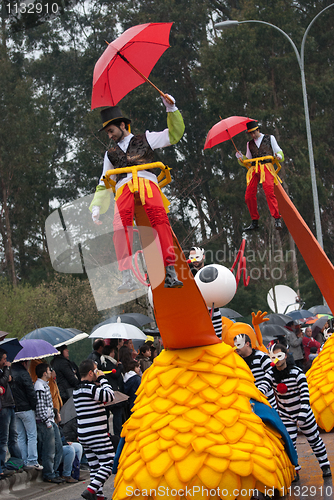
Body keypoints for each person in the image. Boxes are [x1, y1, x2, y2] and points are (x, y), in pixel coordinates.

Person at [90, 95, 185, 291]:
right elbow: (104, 180)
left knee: (160, 220)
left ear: (123, 125)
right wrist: (97, 206)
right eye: (107, 133)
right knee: (119, 227)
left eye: (111, 131)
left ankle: (170, 272)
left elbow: (175, 134)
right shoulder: (111, 153)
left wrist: (171, 109)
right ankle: (127, 277)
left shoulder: (146, 138)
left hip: (146, 182)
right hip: (124, 186)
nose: (109, 136)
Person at [257, 344, 331, 480]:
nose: (276, 360)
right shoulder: (271, 374)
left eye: (279, 356)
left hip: (304, 413)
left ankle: (325, 465)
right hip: (286, 414)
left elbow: (305, 394)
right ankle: (295, 470)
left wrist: (303, 413)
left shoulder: (297, 372)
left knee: (314, 440)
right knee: (289, 443)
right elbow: (264, 385)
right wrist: (255, 393)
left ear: (285, 355)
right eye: (273, 357)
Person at [73, 359, 115, 500]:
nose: (97, 373)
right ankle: (91, 490)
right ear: (91, 373)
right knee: (109, 461)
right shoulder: (92, 389)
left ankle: (99, 495)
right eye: (96, 370)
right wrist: (103, 378)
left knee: (95, 465)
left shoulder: (77, 391)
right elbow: (110, 396)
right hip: (97, 433)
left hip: (84, 434)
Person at [235, 120, 284, 231]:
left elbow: (279, 151)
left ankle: (277, 218)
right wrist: (240, 157)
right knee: (248, 195)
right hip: (254, 168)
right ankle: (254, 221)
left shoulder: (270, 138)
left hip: (266, 166)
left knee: (269, 191)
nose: (252, 135)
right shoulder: (249, 144)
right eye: (250, 133)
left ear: (258, 130)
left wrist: (279, 156)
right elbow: (247, 160)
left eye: (253, 132)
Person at [34, 363, 64, 483]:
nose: (51, 371)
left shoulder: (45, 385)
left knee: (58, 447)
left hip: (51, 420)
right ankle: (49, 473)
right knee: (49, 450)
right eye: (49, 370)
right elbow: (40, 408)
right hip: (46, 423)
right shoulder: (39, 387)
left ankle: (54, 471)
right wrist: (47, 422)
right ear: (44, 373)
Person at [10, 360, 43, 471]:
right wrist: (34, 406)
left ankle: (23, 460)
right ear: (24, 362)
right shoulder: (24, 373)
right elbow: (30, 391)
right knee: (32, 435)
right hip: (26, 408)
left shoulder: (9, 373)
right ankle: (32, 460)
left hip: (15, 409)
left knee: (20, 436)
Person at [187, 246, 222, 338]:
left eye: (197, 257)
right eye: (192, 257)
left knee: (217, 338)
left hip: (213, 309)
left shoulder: (212, 270)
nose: (195, 260)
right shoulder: (187, 273)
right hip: (196, 312)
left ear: (203, 256)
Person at [234, 334, 277, 409]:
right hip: (250, 403)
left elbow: (272, 374)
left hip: (268, 400)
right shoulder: (238, 361)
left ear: (247, 344)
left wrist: (260, 391)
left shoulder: (261, 356)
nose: (236, 347)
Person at [0, 348, 22, 475]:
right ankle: (2, 467)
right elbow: (2, 382)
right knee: (4, 438)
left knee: (13, 436)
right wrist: (7, 369)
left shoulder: (3, 371)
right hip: (3, 406)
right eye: (4, 359)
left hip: (10, 404)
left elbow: (9, 381)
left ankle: (18, 462)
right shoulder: (3, 371)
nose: (6, 361)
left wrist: (7, 373)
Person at [98, 344, 125, 437]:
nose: (114, 354)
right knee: (117, 414)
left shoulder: (103, 362)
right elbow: (115, 374)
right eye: (113, 352)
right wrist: (119, 367)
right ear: (109, 353)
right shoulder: (107, 363)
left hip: (108, 391)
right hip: (113, 391)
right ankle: (117, 435)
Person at [53, 408, 83, 483]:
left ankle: (75, 471)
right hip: (56, 450)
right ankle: (66, 474)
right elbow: (56, 442)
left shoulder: (59, 426)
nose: (60, 415)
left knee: (78, 446)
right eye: (58, 414)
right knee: (70, 450)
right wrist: (66, 443)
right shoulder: (52, 427)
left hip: (63, 444)